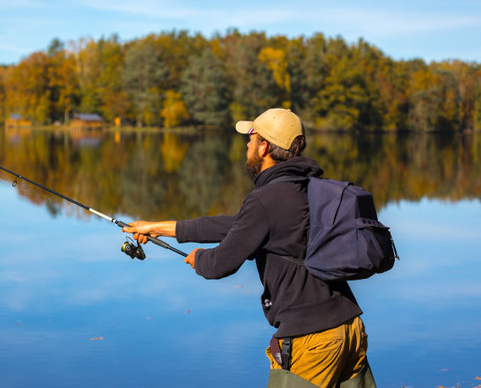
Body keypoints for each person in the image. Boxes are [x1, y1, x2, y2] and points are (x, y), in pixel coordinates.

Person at [122, 108, 375, 388]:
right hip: (350, 327)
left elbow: (221, 264)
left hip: (312, 338)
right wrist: (159, 228)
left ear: (264, 146)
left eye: (251, 137)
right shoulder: (308, 188)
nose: (247, 143)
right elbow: (237, 226)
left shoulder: (265, 199)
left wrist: (199, 259)